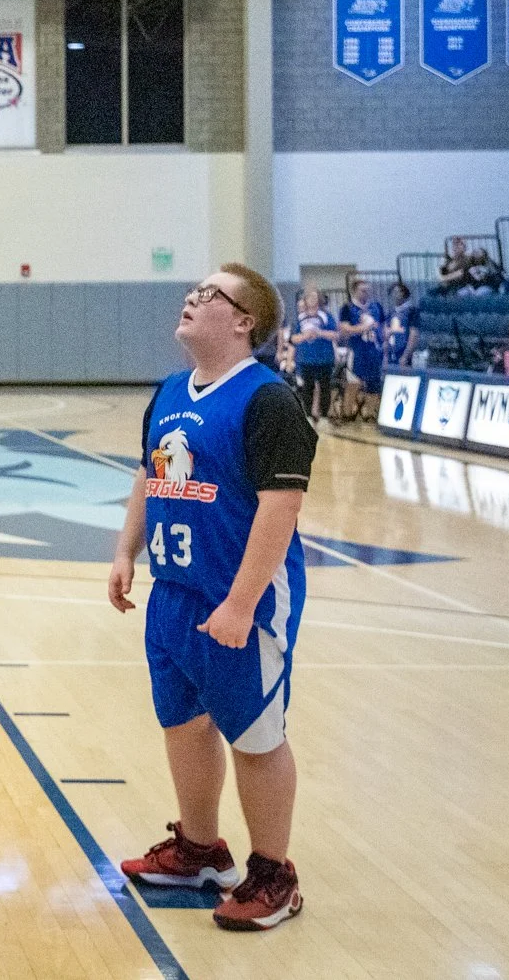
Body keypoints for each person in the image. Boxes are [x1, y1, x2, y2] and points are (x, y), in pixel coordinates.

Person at [110, 264, 316, 933]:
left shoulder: (268, 399)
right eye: (193, 291)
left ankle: (275, 874)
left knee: (256, 737)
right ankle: (200, 851)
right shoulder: (171, 391)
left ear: (244, 321)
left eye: (209, 294)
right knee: (183, 724)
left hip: (237, 601)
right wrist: (125, 550)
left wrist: (241, 602)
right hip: (174, 595)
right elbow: (151, 477)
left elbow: (281, 507)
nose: (191, 299)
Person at [335, 281, 384, 420]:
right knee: (354, 382)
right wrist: (363, 327)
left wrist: (383, 336)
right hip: (357, 350)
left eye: (367, 290)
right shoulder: (347, 308)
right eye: (362, 290)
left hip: (373, 350)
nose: (366, 293)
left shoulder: (376, 307)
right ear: (354, 291)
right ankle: (347, 413)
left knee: (374, 383)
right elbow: (344, 329)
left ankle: (370, 413)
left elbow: (382, 327)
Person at [287, 290, 337, 422]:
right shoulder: (300, 318)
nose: (312, 300)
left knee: (325, 387)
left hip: (324, 358)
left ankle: (324, 416)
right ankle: (308, 415)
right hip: (306, 359)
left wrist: (319, 333)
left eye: (315, 297)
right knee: (307, 388)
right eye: (309, 297)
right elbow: (293, 338)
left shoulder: (326, 316)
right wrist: (305, 336)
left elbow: (335, 334)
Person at [383, 282, 418, 367]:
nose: (394, 295)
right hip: (392, 353)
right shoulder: (391, 313)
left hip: (405, 354)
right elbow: (386, 335)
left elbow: (414, 335)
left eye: (396, 292)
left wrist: (406, 356)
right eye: (392, 293)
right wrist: (385, 355)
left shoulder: (412, 311)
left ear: (404, 293)